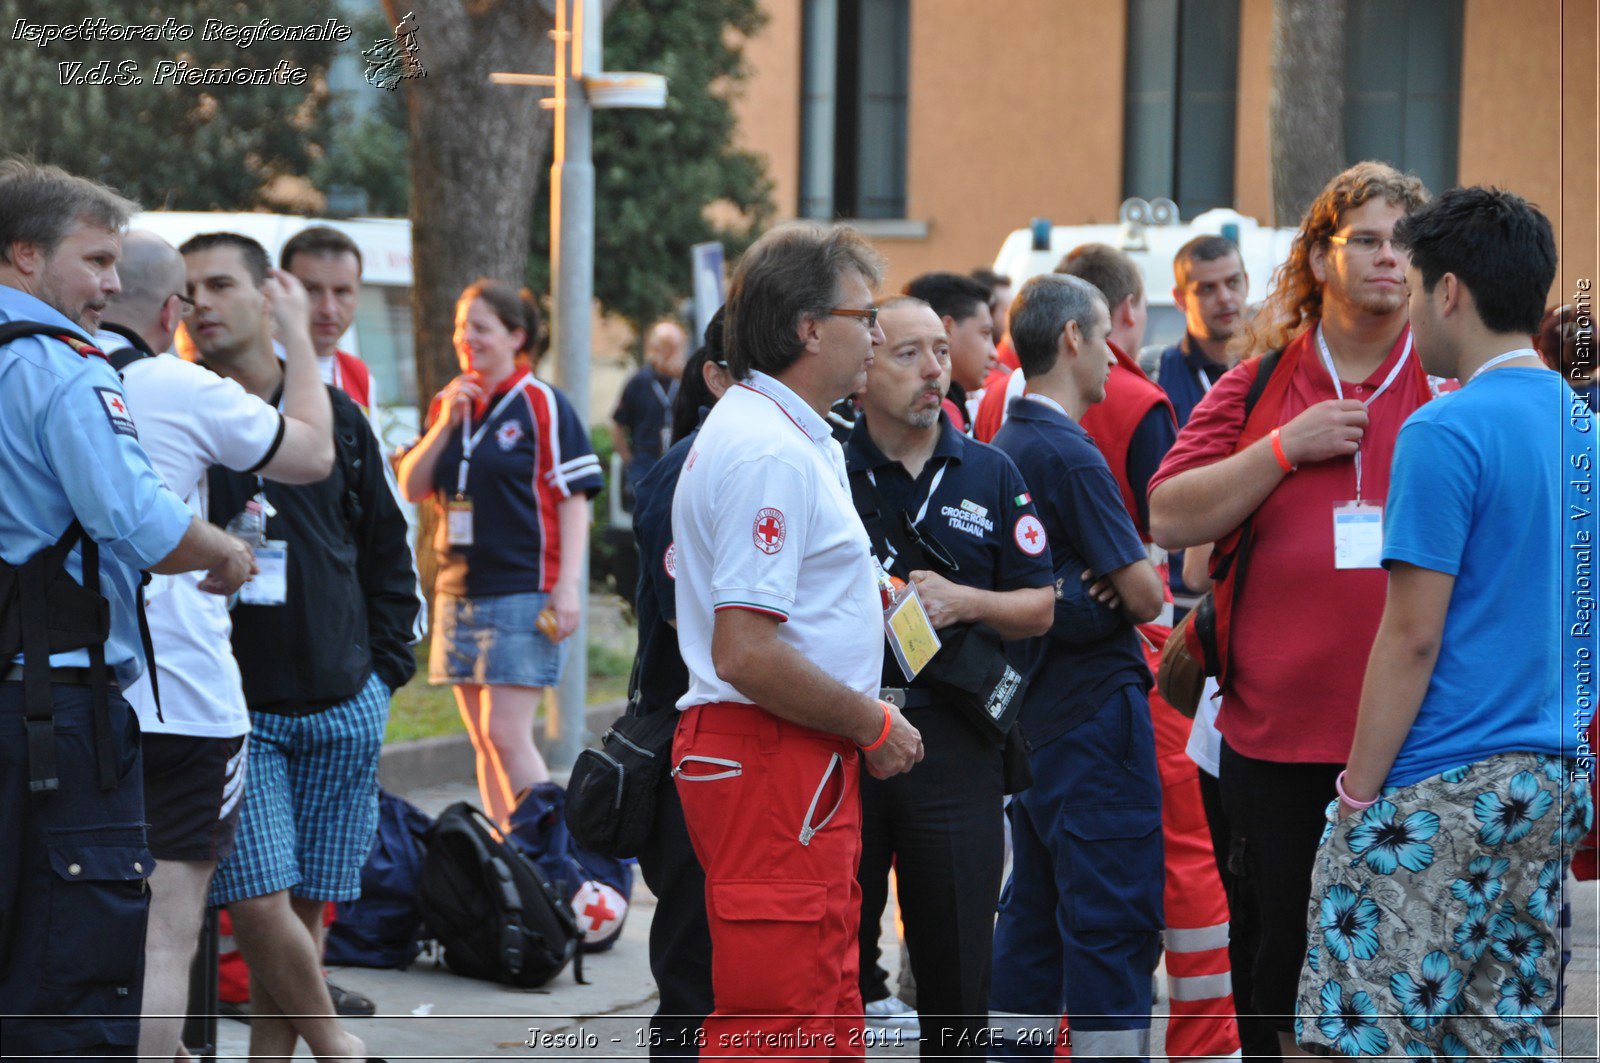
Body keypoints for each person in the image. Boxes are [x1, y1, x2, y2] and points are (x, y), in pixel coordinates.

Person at [1294, 186, 1590, 1057]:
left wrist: (1355, 793)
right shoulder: (1587, 429)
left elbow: (1412, 633)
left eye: (1418, 285)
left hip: (1441, 780)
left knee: (1353, 1032)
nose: (1412, 305)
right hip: (1552, 778)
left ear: (1450, 290)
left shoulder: (1444, 428)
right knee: (1495, 1037)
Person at [1148, 161, 1433, 1059]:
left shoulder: (1444, 383)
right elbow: (1167, 513)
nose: (1391, 259)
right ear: (1320, 255)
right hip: (1269, 747)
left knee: (1397, 976)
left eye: (1405, 243)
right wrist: (1281, 448)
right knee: (1276, 971)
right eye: (1370, 240)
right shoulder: (1262, 382)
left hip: (1412, 746)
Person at [0, 160, 254, 1059]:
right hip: (52, 711)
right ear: (25, 256)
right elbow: (136, 518)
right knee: (68, 971)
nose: (114, 283)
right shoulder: (65, 367)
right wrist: (225, 550)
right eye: (97, 259)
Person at [670, 221, 924, 1059]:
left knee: (817, 1000)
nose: (879, 335)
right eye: (867, 315)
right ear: (810, 328)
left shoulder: (788, 433)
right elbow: (745, 650)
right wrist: (871, 721)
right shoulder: (770, 450)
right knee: (781, 1018)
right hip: (772, 754)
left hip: (787, 757)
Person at [95, 230, 335, 1062]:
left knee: (74, 921)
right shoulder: (176, 385)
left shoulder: (42, 374)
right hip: (182, 696)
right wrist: (297, 335)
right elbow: (312, 450)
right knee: (167, 932)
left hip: (67, 690)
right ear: (172, 311)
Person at [185, 230, 421, 1063]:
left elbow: (390, 550)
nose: (200, 303)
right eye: (189, 289)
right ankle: (339, 1050)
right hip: (234, 711)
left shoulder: (336, 417)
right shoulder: (182, 408)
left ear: (264, 294)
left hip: (342, 698)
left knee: (308, 912)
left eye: (219, 284)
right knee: (255, 903)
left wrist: (385, 673)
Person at [846, 296, 1054, 1057]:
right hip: (847, 733)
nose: (934, 369)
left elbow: (1041, 606)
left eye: (941, 350)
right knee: (833, 963)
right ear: (862, 366)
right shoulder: (828, 467)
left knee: (959, 969)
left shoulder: (990, 470)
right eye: (909, 353)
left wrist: (962, 599)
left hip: (954, 741)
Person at [987, 273, 1166, 1062]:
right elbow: (1147, 591)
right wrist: (1098, 589)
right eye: (1104, 336)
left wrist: (1082, 588)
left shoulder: (1005, 441)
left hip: (1032, 723)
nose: (1112, 355)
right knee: (1111, 923)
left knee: (1031, 918)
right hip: (1096, 723)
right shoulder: (1069, 451)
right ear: (1071, 340)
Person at [398, 279, 603, 825]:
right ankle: (507, 853)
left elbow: (574, 499)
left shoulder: (541, 403)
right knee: (483, 741)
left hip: (522, 589)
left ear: (517, 336)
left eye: (481, 328)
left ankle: (551, 858)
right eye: (462, 327)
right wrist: (445, 423)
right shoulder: (450, 400)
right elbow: (413, 486)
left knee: (505, 734)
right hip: (458, 588)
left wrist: (566, 589)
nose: (467, 338)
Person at [1153, 233, 1266, 1057]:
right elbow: (1171, 530)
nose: (1224, 299)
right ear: (1180, 294)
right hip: (1193, 633)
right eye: (1208, 287)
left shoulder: (1272, 366)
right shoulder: (1166, 383)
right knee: (1210, 842)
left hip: (1248, 628)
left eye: (1234, 283)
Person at [630, 314, 733, 1059]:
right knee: (695, 972)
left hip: (743, 752)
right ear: (718, 377)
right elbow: (701, 632)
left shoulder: (804, 453)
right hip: (693, 747)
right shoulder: (692, 469)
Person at [901, 272, 998, 431]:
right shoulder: (936, 416)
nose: (994, 353)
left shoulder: (952, 403)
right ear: (946, 329)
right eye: (985, 333)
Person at [614, 318, 689, 505]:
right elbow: (617, 424)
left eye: (674, 347)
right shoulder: (639, 381)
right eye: (664, 346)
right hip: (645, 463)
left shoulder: (685, 382)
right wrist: (629, 461)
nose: (668, 352)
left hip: (678, 462)